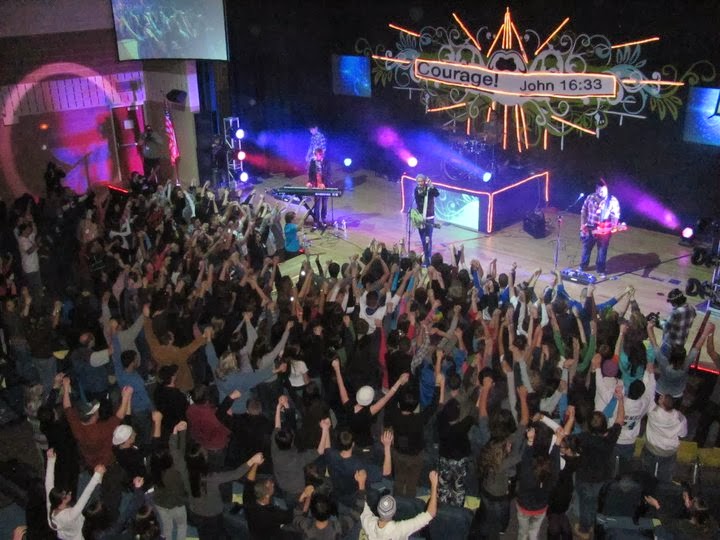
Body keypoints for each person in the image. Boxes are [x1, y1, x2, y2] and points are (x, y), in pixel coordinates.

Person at [360, 470, 439, 540]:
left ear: (378, 509)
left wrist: (361, 483)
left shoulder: (369, 523)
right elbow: (431, 513)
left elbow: (362, 506)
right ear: (394, 511)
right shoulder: (400, 529)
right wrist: (434, 485)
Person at [46, 448, 105, 540]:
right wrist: (97, 476)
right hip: (78, 534)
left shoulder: (52, 505)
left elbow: (48, 485)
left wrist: (51, 460)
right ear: (63, 500)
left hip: (67, 531)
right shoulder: (69, 516)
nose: (70, 492)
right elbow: (84, 497)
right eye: (67, 494)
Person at [579, 178, 620, 278]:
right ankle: (583, 266)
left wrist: (614, 225)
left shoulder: (612, 200)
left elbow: (615, 215)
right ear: (596, 189)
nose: (602, 193)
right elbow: (583, 211)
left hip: (604, 230)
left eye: (604, 190)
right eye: (600, 191)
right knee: (586, 248)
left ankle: (601, 269)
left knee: (602, 250)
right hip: (590, 228)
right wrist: (582, 224)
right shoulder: (590, 197)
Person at [412, 174, 439, 266]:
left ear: (424, 181)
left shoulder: (429, 189)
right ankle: (426, 254)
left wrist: (431, 185)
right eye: (418, 181)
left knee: (428, 238)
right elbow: (418, 202)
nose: (420, 183)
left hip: (429, 217)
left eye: (421, 181)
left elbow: (437, 194)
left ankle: (428, 258)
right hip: (420, 217)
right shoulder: (416, 190)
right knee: (423, 238)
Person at [307, 148, 327, 226]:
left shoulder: (326, 162)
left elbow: (329, 174)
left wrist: (324, 183)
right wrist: (309, 182)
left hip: (324, 186)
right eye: (315, 155)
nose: (315, 156)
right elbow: (310, 173)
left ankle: (323, 219)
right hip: (316, 185)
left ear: (321, 155)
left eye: (317, 155)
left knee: (324, 203)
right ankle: (316, 220)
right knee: (317, 204)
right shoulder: (313, 161)